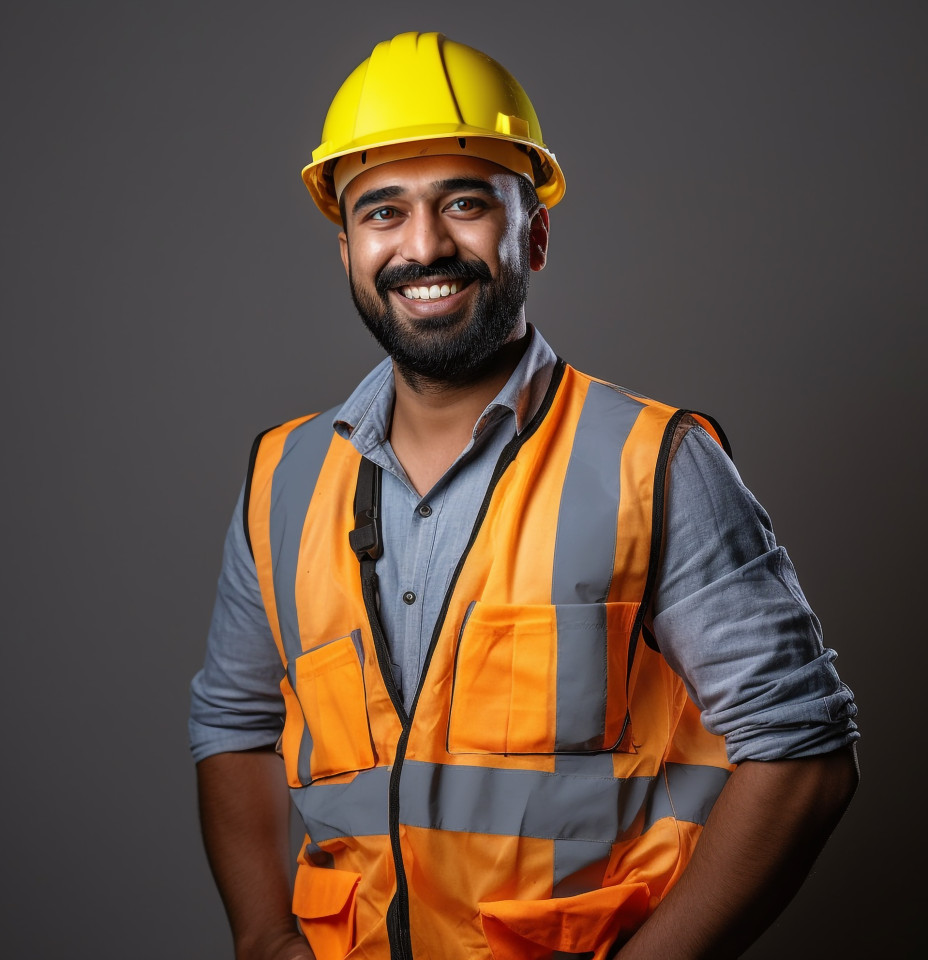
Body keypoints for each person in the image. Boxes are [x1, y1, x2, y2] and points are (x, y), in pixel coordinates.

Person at [189, 31, 859, 960]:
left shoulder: (654, 462)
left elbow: (804, 755)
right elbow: (233, 728)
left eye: (464, 203)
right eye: (383, 212)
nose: (422, 246)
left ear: (533, 232)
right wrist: (265, 936)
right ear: (345, 246)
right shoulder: (284, 478)